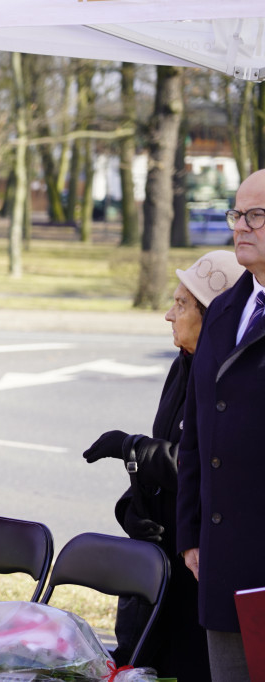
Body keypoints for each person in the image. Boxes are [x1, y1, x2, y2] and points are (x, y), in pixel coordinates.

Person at [84, 250, 243, 679]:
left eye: (181, 304)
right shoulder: (184, 364)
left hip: (204, 555)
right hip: (169, 548)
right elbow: (175, 451)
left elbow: (208, 463)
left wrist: (134, 448)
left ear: (213, 316)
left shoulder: (231, 377)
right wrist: (138, 510)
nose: (168, 315)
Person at [177, 169, 265, 682]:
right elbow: (197, 431)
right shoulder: (226, 308)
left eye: (257, 215)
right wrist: (191, 534)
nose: (241, 226)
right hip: (223, 558)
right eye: (237, 213)